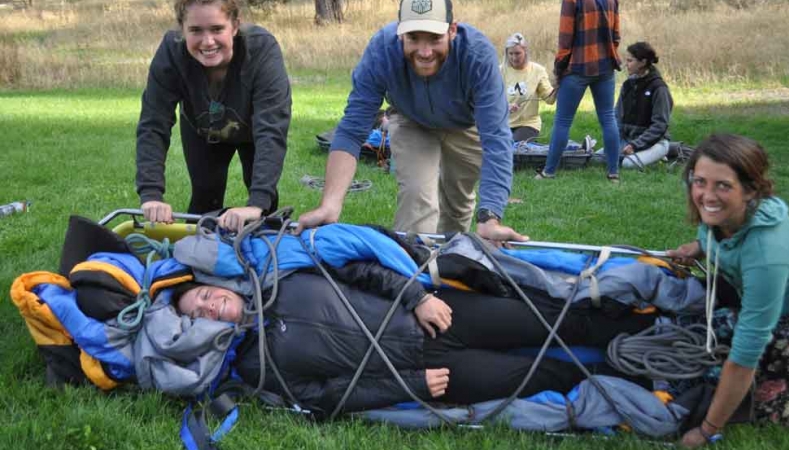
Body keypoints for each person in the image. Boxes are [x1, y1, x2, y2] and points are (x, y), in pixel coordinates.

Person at [173, 261, 656, 415]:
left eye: (207, 295)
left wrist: (415, 297)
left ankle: (653, 332)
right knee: (547, 374)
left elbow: (362, 270)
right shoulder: (255, 369)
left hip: (440, 316)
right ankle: (650, 380)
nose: (211, 305)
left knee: (552, 322)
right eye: (200, 313)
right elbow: (327, 397)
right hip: (431, 374)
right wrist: (411, 387)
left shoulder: (285, 276)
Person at [296, 0, 528, 243]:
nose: (425, 51)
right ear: (400, 33)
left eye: (434, 38)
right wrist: (330, 205)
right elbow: (352, 130)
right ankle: (412, 269)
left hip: (465, 125)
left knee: (457, 205)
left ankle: (449, 261)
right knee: (417, 199)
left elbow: (496, 138)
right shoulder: (382, 51)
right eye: (413, 38)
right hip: (411, 119)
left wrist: (490, 217)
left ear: (452, 30)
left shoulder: (478, 55)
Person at [666, 134, 789, 447]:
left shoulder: (766, 252)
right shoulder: (723, 214)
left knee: (756, 403)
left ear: (751, 190)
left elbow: (744, 356)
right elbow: (714, 235)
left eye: (723, 185)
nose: (707, 195)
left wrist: (707, 429)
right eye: (699, 181)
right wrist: (698, 247)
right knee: (693, 341)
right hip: (756, 298)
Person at [135, 0, 291, 232]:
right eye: (196, 30)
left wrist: (257, 203)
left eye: (217, 29)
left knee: (262, 206)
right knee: (205, 194)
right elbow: (153, 123)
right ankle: (196, 259)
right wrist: (151, 194)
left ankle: (266, 253)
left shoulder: (261, 49)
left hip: (254, 130)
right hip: (202, 127)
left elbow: (271, 129)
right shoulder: (171, 51)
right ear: (182, 29)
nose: (208, 42)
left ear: (235, 26)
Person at [538, 0, 621, 182]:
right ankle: (613, 173)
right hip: (605, 67)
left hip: (577, 68)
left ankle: (549, 172)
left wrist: (559, 70)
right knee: (608, 118)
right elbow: (616, 36)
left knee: (562, 121)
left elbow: (565, 39)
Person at [594, 41, 673, 170]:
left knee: (627, 164)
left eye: (630, 61)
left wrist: (635, 145)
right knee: (596, 159)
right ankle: (648, 156)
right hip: (627, 141)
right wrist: (614, 141)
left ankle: (661, 154)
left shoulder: (659, 88)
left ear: (642, 62)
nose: (626, 65)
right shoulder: (627, 85)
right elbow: (616, 116)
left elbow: (660, 125)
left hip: (655, 142)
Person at [500, 32, 556, 142]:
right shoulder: (499, 71)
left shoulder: (538, 71)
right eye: (510, 54)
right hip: (503, 123)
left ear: (525, 52)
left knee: (513, 149)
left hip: (528, 124)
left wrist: (559, 85)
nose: (514, 58)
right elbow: (491, 99)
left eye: (517, 53)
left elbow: (549, 99)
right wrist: (505, 106)